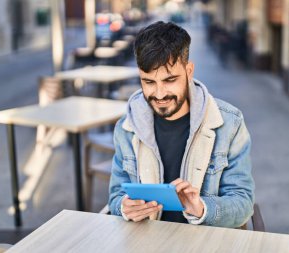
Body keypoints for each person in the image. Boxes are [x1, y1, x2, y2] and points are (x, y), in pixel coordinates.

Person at [109, 21, 254, 228]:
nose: (159, 94)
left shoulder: (230, 123)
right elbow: (115, 196)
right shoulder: (126, 128)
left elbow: (243, 202)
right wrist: (124, 207)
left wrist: (202, 208)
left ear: (189, 71)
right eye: (149, 82)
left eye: (169, 80)